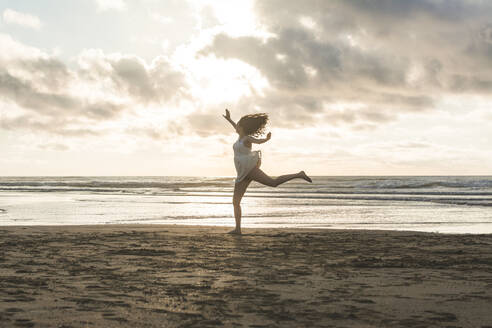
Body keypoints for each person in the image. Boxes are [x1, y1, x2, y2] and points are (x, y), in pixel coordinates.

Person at [223, 109, 312, 235]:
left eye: (237, 125)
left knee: (273, 183)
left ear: (242, 128)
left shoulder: (247, 139)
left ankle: (299, 174)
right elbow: (235, 126)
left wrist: (266, 139)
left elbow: (258, 141)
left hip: (250, 169)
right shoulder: (239, 137)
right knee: (235, 202)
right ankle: (238, 229)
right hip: (242, 173)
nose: (235, 127)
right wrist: (229, 119)